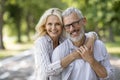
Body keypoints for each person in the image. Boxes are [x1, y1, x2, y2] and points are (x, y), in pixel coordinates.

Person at [33, 8, 98, 80]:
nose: (53, 28)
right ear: (45, 26)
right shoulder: (41, 42)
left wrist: (92, 37)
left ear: (63, 26)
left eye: (57, 24)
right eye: (50, 24)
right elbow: (46, 71)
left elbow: (85, 35)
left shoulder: (63, 39)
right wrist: (72, 56)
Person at [51, 7, 114, 80]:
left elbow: (110, 77)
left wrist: (91, 60)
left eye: (75, 23)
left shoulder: (99, 45)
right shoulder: (59, 51)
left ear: (84, 21)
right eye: (67, 26)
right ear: (64, 28)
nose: (72, 29)